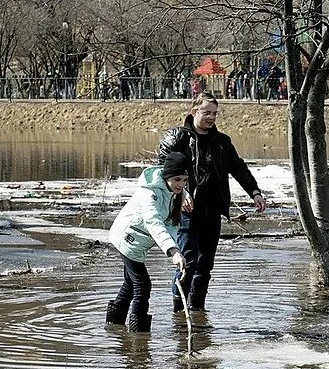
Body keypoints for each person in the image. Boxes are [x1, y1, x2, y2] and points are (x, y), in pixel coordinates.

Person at [158, 92, 266, 314]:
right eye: (206, 112)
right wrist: (182, 194)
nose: (211, 117)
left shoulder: (222, 142)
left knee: (205, 264)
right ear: (194, 111)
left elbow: (238, 168)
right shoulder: (179, 139)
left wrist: (254, 192)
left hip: (213, 209)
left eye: (215, 113)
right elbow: (164, 172)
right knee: (186, 260)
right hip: (187, 210)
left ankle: (197, 310)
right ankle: (179, 312)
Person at [106, 152, 190, 332]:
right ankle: (139, 337)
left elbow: (172, 225)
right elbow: (154, 222)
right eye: (177, 179)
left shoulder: (177, 194)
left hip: (139, 242)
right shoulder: (149, 192)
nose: (181, 184)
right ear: (167, 176)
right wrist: (173, 251)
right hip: (127, 239)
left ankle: (113, 326)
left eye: (184, 180)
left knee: (130, 284)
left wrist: (175, 252)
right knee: (142, 285)